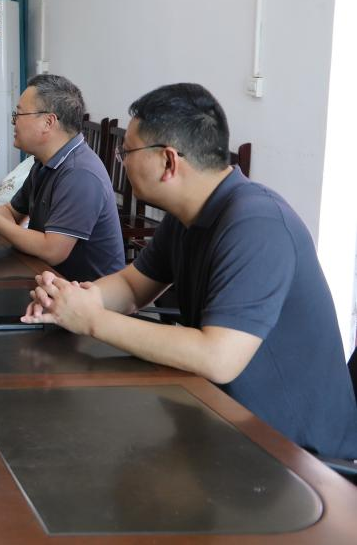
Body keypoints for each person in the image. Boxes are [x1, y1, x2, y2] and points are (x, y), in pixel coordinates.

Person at [23, 83, 357, 460]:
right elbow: (132, 287)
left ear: (169, 161)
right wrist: (72, 299)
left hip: (293, 452)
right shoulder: (188, 215)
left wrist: (92, 320)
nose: (121, 162)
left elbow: (219, 357)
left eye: (126, 152)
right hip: (224, 418)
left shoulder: (257, 224)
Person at [0, 74, 124, 282]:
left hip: (89, 294)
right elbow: (12, 212)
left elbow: (52, 250)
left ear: (48, 122)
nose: (14, 122)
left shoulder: (80, 173)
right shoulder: (43, 162)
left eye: (19, 114)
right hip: (49, 281)